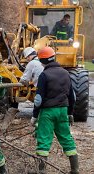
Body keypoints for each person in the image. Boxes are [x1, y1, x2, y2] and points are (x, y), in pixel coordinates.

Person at [31, 46, 78, 174]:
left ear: (42, 61)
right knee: (67, 138)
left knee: (44, 141)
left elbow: (39, 99)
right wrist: (70, 113)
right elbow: (72, 96)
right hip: (63, 110)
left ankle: (41, 171)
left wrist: (34, 115)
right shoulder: (65, 73)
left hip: (48, 112)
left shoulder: (44, 75)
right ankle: (75, 170)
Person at [19, 47, 44, 118]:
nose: (27, 60)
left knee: (38, 104)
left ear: (29, 56)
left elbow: (24, 79)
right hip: (48, 87)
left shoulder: (32, 63)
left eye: (27, 58)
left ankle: (37, 118)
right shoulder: (42, 61)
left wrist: (19, 83)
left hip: (40, 88)